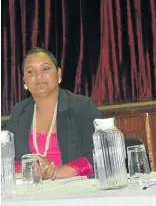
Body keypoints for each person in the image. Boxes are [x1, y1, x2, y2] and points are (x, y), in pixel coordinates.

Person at [6, 47, 102, 180]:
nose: (38, 76)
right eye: (30, 71)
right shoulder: (19, 112)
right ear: (24, 81)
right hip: (32, 191)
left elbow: (100, 154)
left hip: (75, 189)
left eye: (45, 69)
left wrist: (57, 172)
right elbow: (6, 159)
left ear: (59, 73)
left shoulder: (81, 106)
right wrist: (30, 168)